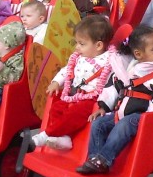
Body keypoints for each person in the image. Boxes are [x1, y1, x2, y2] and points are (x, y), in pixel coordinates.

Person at [76, 25, 153, 174]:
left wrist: (150, 117)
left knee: (125, 124)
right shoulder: (130, 68)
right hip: (122, 113)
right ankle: (95, 159)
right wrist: (103, 107)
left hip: (144, 117)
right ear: (138, 54)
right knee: (98, 123)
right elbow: (113, 86)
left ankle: (104, 159)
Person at [32, 16, 115, 150]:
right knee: (57, 108)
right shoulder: (79, 57)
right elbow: (67, 70)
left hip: (92, 99)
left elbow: (112, 86)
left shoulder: (109, 62)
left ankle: (47, 134)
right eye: (76, 43)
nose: (77, 47)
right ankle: (64, 138)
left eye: (82, 44)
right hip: (74, 94)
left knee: (76, 112)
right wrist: (56, 82)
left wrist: (105, 105)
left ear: (99, 45)